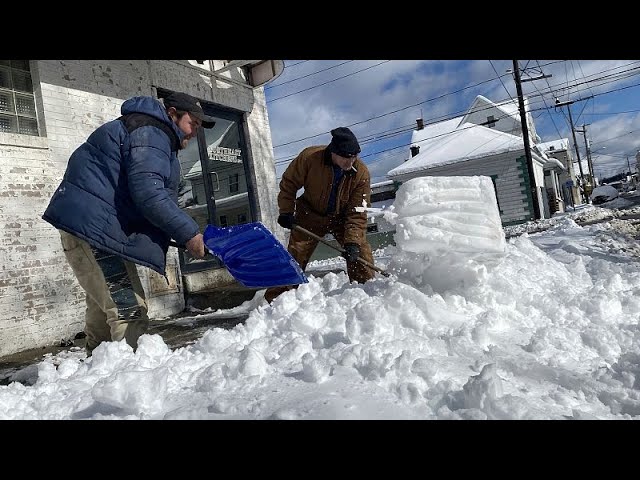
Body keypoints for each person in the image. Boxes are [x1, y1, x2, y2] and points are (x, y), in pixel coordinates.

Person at [42, 92, 216, 356]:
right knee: (128, 310)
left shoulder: (143, 130)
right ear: (172, 113)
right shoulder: (153, 132)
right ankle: (132, 381)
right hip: (95, 233)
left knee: (103, 314)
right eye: (193, 123)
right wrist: (190, 234)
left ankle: (97, 376)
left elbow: (139, 194)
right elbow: (149, 192)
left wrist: (175, 234)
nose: (195, 132)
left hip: (91, 230)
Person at [264, 126, 376, 303]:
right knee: (294, 257)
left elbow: (357, 211)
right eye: (347, 157)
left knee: (360, 252)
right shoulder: (310, 158)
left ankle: (368, 294)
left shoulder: (361, 173)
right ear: (334, 152)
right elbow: (289, 183)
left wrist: (352, 242)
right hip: (310, 215)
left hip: (342, 218)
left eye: (354, 156)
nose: (351, 161)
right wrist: (286, 211)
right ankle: (277, 302)